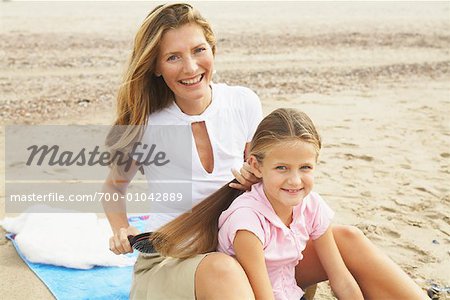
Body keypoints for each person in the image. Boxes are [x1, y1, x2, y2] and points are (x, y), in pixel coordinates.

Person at [103, 3, 427, 299]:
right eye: (173, 57)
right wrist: (121, 229)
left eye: (199, 50)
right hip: (175, 261)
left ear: (212, 50)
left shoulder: (242, 102)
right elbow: (113, 188)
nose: (190, 67)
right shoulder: (143, 124)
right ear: (156, 66)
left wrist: (253, 177)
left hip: (245, 249)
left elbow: (265, 177)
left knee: (348, 239)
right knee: (221, 269)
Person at [153, 108, 364, 300]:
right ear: (256, 165)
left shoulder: (312, 205)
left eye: (305, 167)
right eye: (282, 167)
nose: (295, 180)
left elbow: (341, 280)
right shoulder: (247, 222)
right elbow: (262, 296)